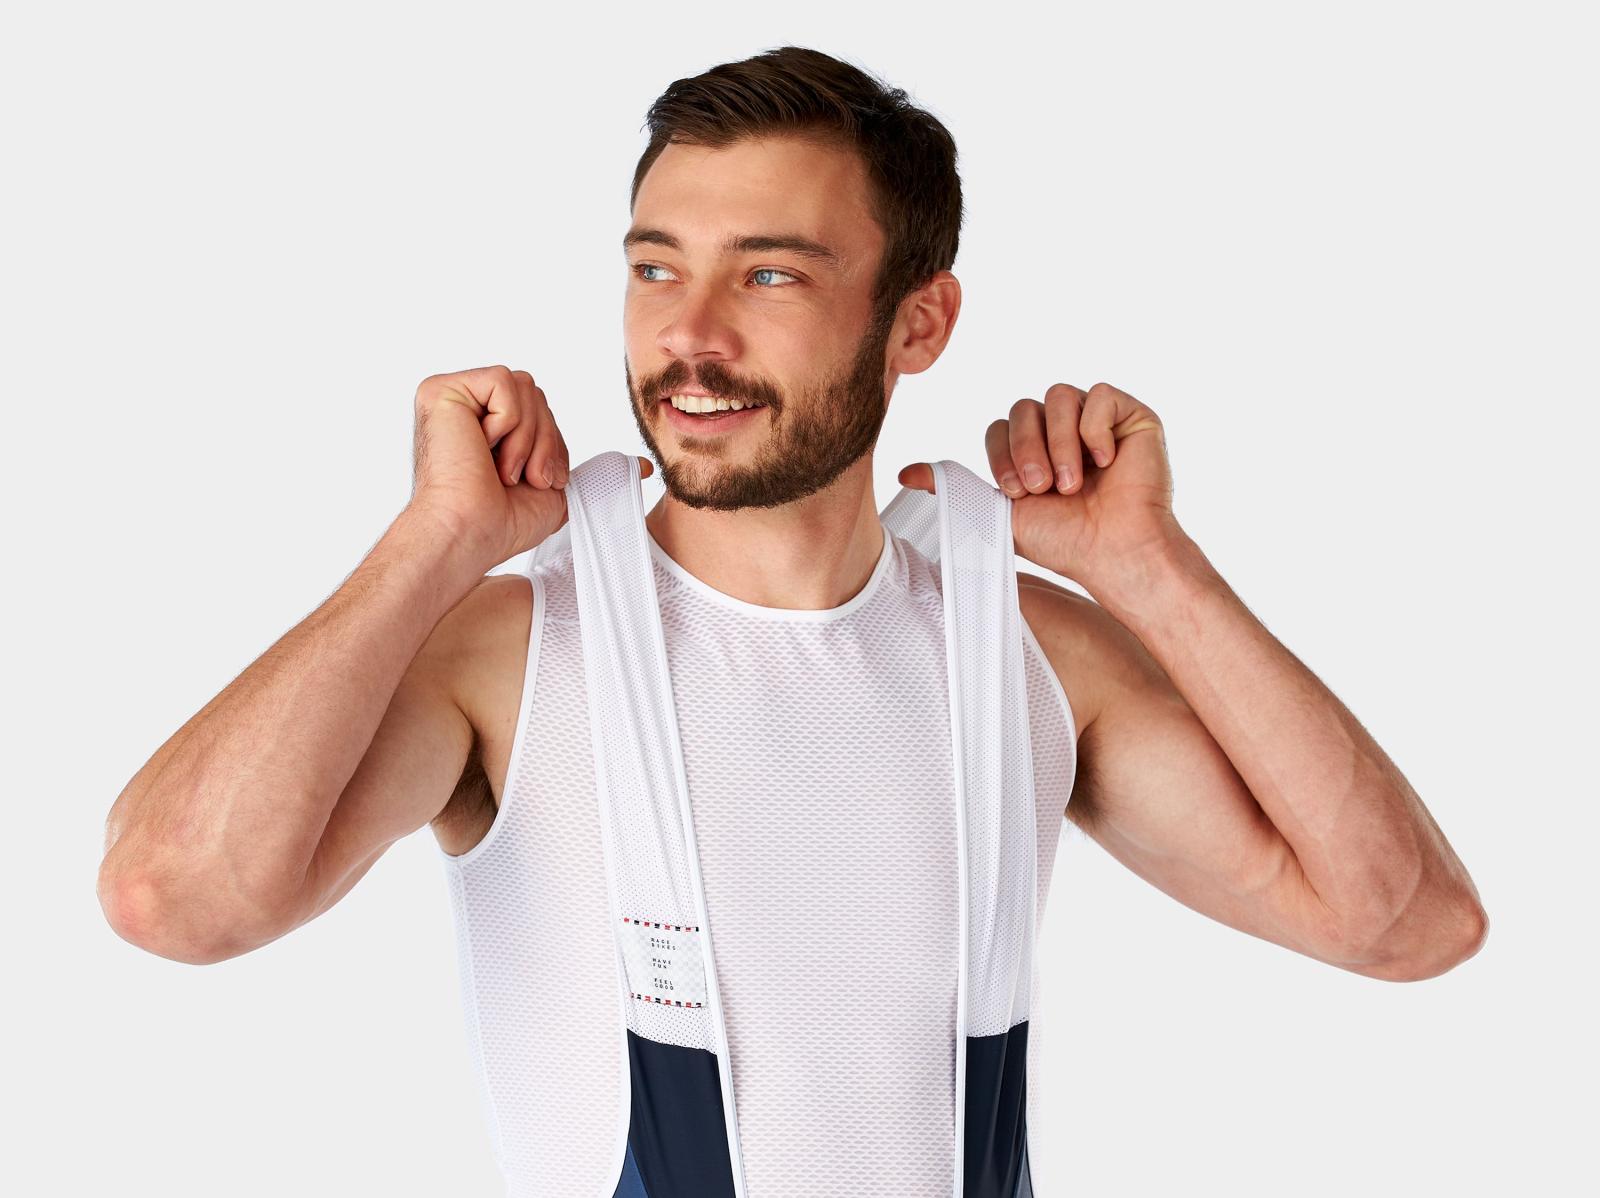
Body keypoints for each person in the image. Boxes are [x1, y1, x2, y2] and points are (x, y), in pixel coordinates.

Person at [96, 45, 1486, 1197]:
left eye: (769, 275)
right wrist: (430, 544)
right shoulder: (508, 656)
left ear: (919, 323)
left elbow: (1408, 924)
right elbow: (174, 899)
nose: (689, 334)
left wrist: (1154, 569)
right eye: (655, 269)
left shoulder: (1025, 654)